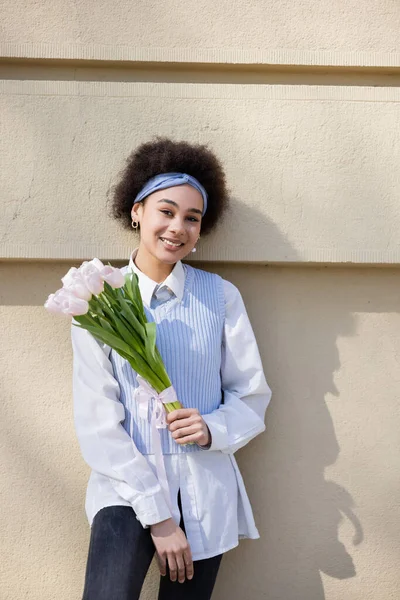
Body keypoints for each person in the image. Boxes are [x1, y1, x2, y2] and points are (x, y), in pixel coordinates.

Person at [71, 137, 272, 600]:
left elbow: (252, 396)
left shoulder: (220, 296)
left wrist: (211, 427)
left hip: (204, 488)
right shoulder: (97, 300)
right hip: (126, 489)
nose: (177, 227)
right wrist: (157, 515)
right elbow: (97, 421)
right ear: (137, 210)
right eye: (166, 211)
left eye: (192, 218)